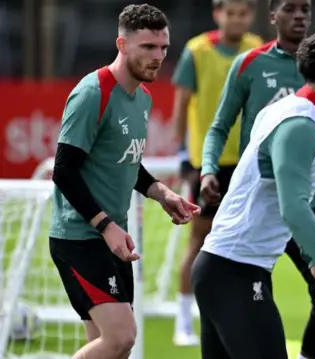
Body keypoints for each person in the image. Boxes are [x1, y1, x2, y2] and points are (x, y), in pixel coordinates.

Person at [191, 27, 315, 359]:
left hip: (226, 269)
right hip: (234, 272)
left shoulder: (288, 111)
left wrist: (312, 259)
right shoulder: (300, 125)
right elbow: (294, 208)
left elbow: (279, 200)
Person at [49, 5, 200, 359]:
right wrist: (105, 226)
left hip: (112, 240)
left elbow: (127, 163)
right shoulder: (92, 93)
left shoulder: (142, 99)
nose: (158, 56)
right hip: (80, 238)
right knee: (122, 338)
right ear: (121, 44)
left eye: (163, 47)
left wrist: (162, 194)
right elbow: (64, 171)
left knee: (111, 349)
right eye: (148, 47)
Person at [169, 0, 263, 345]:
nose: (236, 19)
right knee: (199, 240)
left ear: (250, 16)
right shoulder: (197, 51)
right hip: (207, 164)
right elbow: (180, 105)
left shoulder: (258, 49)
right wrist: (183, 154)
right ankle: (183, 318)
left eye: (242, 13)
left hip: (248, 162)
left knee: (247, 240)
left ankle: (238, 311)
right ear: (217, 14)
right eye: (230, 13)